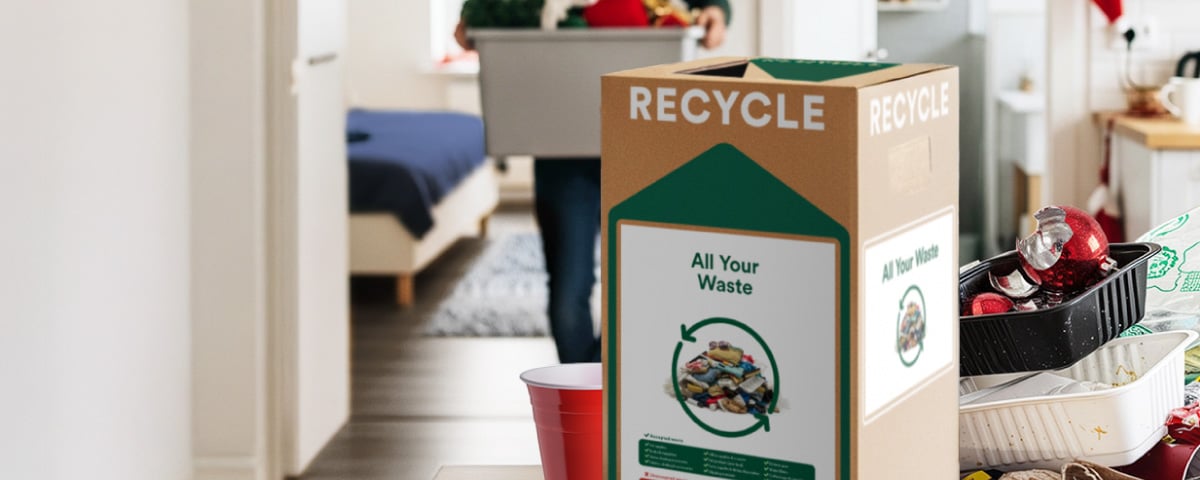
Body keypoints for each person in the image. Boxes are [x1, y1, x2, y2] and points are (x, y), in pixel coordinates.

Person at [456, 0, 732, 363]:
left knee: (639, 286)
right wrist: (471, 21)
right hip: (563, 152)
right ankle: (583, 387)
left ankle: (609, 384)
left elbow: (710, 8)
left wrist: (716, 13)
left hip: (644, 154)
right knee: (571, 287)